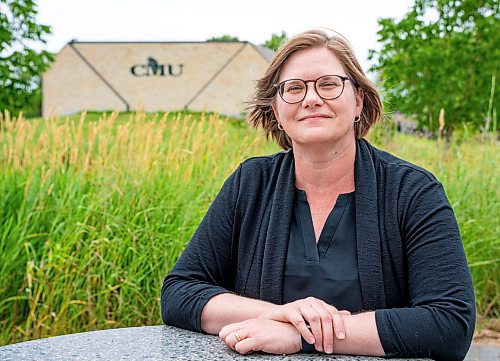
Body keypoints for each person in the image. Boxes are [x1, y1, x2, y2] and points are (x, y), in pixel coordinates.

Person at [161, 29, 475, 360]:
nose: (311, 98)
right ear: (277, 112)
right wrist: (277, 315)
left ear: (358, 101)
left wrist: (302, 335)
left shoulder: (412, 191)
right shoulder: (249, 183)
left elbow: (450, 323)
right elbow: (180, 293)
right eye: (294, 88)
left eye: (328, 84)